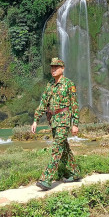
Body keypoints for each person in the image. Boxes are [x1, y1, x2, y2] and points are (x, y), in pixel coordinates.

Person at [31, 57, 81, 191]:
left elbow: (75, 105)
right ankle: (75, 173)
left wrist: (75, 123)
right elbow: (43, 103)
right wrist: (36, 119)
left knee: (57, 148)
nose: (53, 69)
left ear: (62, 69)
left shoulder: (69, 84)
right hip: (53, 121)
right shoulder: (50, 85)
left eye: (56, 67)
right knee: (64, 148)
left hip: (64, 120)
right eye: (52, 67)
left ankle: (46, 179)